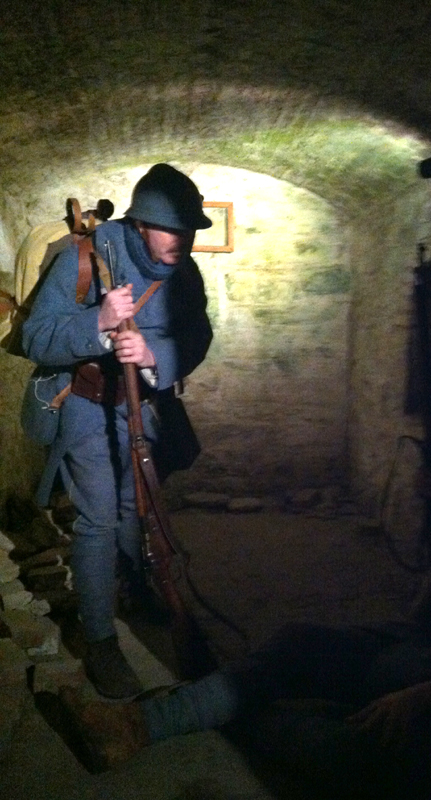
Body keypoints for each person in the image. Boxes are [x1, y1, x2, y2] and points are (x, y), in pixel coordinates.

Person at [59, 386, 431, 787]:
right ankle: (140, 725)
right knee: (294, 645)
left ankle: (221, 709)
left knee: (335, 749)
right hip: (415, 650)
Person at [22, 164, 213, 700]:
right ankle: (101, 639)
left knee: (139, 507)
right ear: (138, 225)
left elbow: (198, 334)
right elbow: (37, 337)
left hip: (144, 405)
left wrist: (155, 355)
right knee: (99, 519)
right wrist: (99, 324)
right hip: (87, 403)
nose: (183, 241)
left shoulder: (185, 271)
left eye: (190, 230)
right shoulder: (85, 257)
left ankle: (136, 587)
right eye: (172, 229)